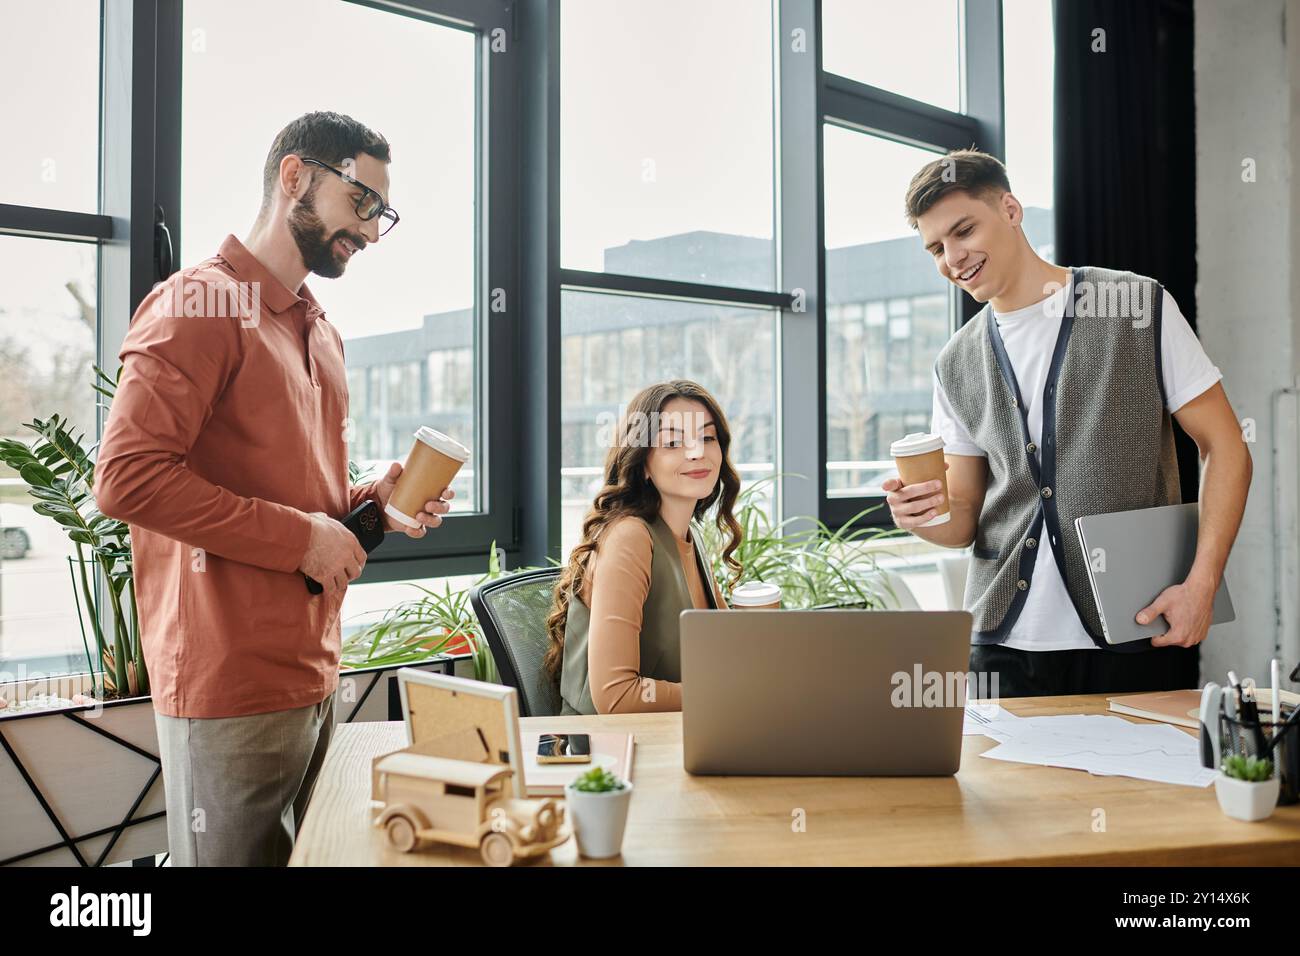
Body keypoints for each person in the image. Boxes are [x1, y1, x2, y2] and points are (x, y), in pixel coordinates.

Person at [94, 111, 455, 865]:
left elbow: (293, 493)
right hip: (228, 684)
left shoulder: (321, 331)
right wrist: (303, 538)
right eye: (361, 202)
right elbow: (127, 478)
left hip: (316, 668)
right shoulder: (198, 305)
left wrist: (368, 502)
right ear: (296, 177)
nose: (372, 232)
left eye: (382, 214)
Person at [883, 149, 1251, 697]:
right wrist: (919, 518)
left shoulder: (1134, 305)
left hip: (1135, 626)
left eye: (963, 231)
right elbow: (963, 518)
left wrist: (1203, 583)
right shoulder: (954, 362)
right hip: (1000, 642)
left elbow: (1226, 446)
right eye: (936, 248)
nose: (953, 258)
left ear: (1010, 210)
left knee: (1141, 786)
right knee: (1001, 788)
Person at [544, 381, 743, 715]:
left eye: (707, 437)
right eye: (673, 442)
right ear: (643, 463)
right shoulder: (630, 538)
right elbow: (616, 695)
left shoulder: (689, 536)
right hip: (609, 751)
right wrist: (722, 694)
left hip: (677, 733)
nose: (697, 452)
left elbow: (722, 654)